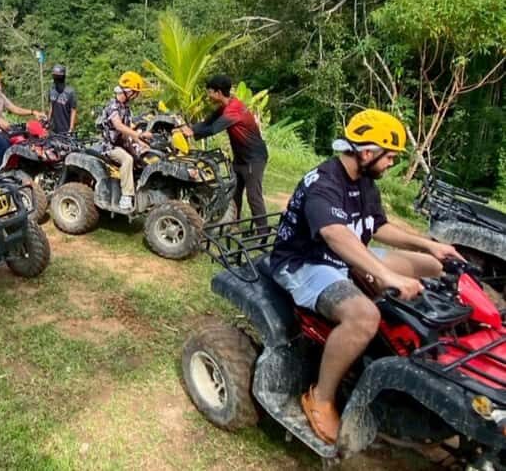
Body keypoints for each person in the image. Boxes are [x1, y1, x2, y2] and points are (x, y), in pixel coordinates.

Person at [269, 109, 462, 445]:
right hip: (307, 264)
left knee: (434, 268)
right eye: (389, 156)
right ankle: (321, 396)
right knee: (363, 316)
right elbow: (334, 234)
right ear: (367, 152)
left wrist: (431, 247)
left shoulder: (365, 181)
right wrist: (387, 276)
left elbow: (379, 226)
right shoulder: (324, 182)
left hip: (349, 257)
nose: (392, 163)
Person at [190, 75, 268, 226]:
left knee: (254, 196)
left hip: (254, 158)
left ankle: (262, 232)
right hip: (240, 158)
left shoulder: (234, 110)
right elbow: (208, 122)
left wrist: (192, 133)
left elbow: (214, 128)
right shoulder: (226, 106)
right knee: (234, 192)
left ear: (218, 93)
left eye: (210, 92)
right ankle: (233, 225)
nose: (208, 96)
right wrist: (189, 129)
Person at [95, 71, 153, 211]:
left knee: (145, 157)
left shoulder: (126, 108)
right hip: (110, 147)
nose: (136, 96)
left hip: (123, 144)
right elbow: (119, 126)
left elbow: (129, 128)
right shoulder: (113, 106)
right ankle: (126, 197)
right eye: (135, 92)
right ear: (128, 92)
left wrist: (140, 142)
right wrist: (138, 136)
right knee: (127, 160)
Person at [0, 65, 46, 163]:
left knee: (23, 140)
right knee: (3, 145)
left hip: (0, 131)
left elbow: (14, 108)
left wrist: (33, 112)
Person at [48, 64, 77, 134]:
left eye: (58, 76)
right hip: (54, 130)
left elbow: (73, 110)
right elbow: (51, 107)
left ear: (63, 77)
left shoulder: (70, 92)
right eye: (55, 76)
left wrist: (71, 128)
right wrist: (48, 121)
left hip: (66, 130)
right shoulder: (52, 90)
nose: (56, 78)